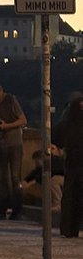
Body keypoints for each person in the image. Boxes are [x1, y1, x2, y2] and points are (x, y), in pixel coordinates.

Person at [0, 79, 27, 220]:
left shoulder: (11, 101)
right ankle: (1, 209)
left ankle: (17, 210)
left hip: (14, 143)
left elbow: (22, 120)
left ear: (2, 90)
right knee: (0, 178)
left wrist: (6, 126)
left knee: (15, 177)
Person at [54, 91, 83, 238]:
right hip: (73, 162)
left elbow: (55, 136)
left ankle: (69, 228)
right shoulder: (69, 122)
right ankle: (70, 228)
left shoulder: (67, 122)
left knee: (72, 196)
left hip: (72, 161)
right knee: (73, 196)